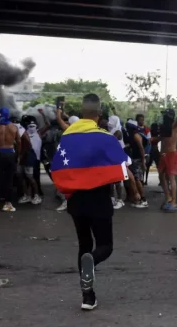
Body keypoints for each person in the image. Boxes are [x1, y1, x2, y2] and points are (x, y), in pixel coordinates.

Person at [51, 93, 129, 311]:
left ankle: (88, 296)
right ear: (99, 112)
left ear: (82, 112)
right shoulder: (105, 137)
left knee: (84, 245)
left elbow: (57, 167)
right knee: (104, 246)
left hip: (77, 202)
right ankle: (91, 263)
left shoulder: (67, 136)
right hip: (100, 200)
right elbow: (122, 168)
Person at [0, 108, 21, 212]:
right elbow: (19, 142)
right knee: (9, 179)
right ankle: (8, 204)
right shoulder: (14, 127)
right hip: (10, 153)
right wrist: (17, 155)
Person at [158, 97, 177, 211]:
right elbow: (162, 139)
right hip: (163, 154)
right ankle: (168, 197)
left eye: (165, 115)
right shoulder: (164, 128)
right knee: (161, 176)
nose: (163, 116)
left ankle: (173, 201)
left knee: (172, 177)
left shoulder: (174, 126)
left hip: (171, 154)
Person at [126, 120, 149, 208]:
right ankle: (139, 199)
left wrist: (143, 162)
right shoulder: (132, 135)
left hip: (138, 160)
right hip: (135, 159)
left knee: (137, 179)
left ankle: (143, 200)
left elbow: (141, 148)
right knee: (136, 179)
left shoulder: (136, 135)